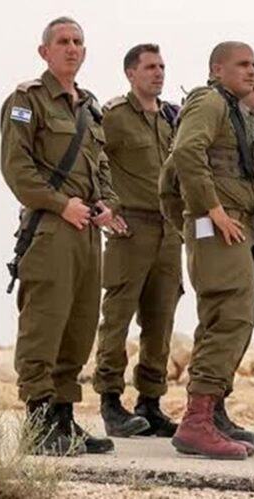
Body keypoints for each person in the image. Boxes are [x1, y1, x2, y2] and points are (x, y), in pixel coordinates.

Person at [0, 16, 118, 456]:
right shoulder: (26, 100)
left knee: (80, 324)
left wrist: (107, 204)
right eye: (63, 41)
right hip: (50, 227)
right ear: (44, 51)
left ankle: (63, 420)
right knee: (45, 323)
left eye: (78, 42)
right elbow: (17, 169)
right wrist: (60, 204)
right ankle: (37, 423)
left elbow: (101, 167)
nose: (71, 48)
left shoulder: (89, 107)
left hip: (87, 230)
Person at [162, 41, 254, 460]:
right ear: (217, 69)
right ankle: (196, 422)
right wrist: (211, 212)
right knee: (230, 314)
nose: (250, 71)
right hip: (220, 228)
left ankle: (212, 412)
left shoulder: (234, 112)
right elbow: (185, 154)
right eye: (242, 64)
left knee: (230, 318)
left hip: (234, 228)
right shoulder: (208, 101)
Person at [93, 43, 181, 439]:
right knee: (118, 316)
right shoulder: (114, 116)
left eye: (161, 66)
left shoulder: (171, 118)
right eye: (149, 67)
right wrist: (105, 207)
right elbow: (93, 159)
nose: (158, 73)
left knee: (160, 319)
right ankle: (111, 400)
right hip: (130, 229)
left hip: (168, 231)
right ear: (131, 73)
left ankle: (150, 401)